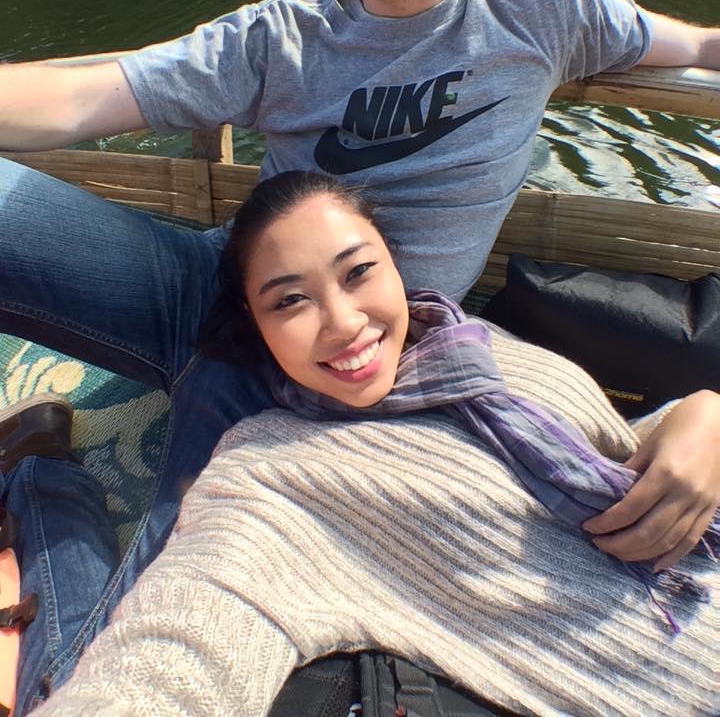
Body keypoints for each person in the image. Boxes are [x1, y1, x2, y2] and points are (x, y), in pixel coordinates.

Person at [1, 0, 719, 706]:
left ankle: (44, 494)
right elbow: (83, 95)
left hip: (345, 353)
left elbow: (698, 45)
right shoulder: (279, 36)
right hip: (221, 284)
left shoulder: (541, 5)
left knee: (131, 635)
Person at [19, 170, 719, 717]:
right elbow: (177, 652)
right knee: (76, 668)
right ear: (256, 325)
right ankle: (42, 485)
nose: (344, 323)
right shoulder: (270, 476)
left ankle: (37, 475)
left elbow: (608, 449)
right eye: (290, 300)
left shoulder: (480, 344)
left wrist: (697, 414)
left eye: (358, 273)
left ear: (395, 265)